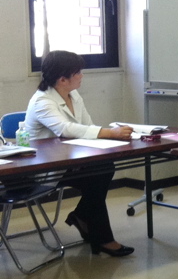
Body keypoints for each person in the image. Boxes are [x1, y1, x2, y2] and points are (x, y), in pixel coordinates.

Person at [25, 50, 134, 257]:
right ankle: (97, 232)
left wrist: (109, 136)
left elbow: (87, 126)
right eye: (77, 73)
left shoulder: (73, 95)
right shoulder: (42, 101)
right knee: (97, 176)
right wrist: (110, 133)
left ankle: (85, 219)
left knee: (102, 168)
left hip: (69, 161)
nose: (82, 76)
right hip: (44, 169)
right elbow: (65, 129)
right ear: (62, 79)